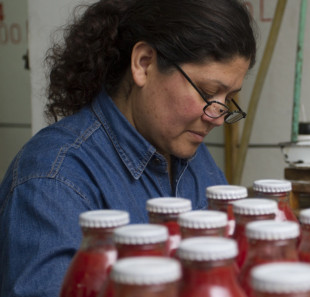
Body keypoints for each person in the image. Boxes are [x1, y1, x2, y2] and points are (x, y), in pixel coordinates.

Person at [0, 0, 257, 296]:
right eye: (209, 92)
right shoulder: (53, 179)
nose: (218, 117)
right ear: (144, 63)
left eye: (229, 98)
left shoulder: (197, 162)